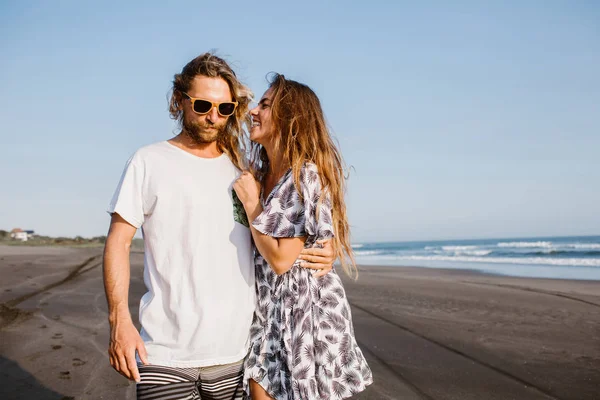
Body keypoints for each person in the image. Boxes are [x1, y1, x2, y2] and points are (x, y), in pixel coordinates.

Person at [103, 53, 335, 400]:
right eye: (202, 105)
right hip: (166, 356)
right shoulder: (148, 161)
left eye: (224, 109)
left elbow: (298, 211)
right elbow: (118, 243)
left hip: (237, 359)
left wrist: (324, 246)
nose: (214, 117)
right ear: (178, 100)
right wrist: (119, 321)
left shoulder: (245, 169)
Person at [233, 74, 373, 400]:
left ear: (289, 117)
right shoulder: (260, 172)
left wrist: (253, 204)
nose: (253, 111)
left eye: (264, 106)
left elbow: (282, 259)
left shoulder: (304, 174)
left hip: (307, 317)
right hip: (268, 313)